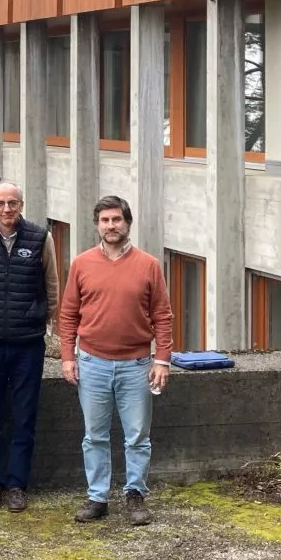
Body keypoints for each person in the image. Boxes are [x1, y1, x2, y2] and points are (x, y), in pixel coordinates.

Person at [59, 195, 174, 526]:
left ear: (128, 223)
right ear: (97, 225)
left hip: (136, 365)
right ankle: (97, 497)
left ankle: (135, 495)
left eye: (117, 219)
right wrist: (67, 356)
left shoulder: (148, 265)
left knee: (137, 436)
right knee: (94, 435)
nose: (111, 226)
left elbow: (162, 315)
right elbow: (68, 314)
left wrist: (162, 359)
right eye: (105, 220)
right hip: (91, 363)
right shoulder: (81, 263)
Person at [0, 182, 59, 513]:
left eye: (13, 203)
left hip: (27, 345)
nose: (7, 209)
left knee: (24, 417)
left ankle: (18, 484)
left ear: (21, 204)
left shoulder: (40, 237)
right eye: (1, 203)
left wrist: (43, 318)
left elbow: (52, 284)